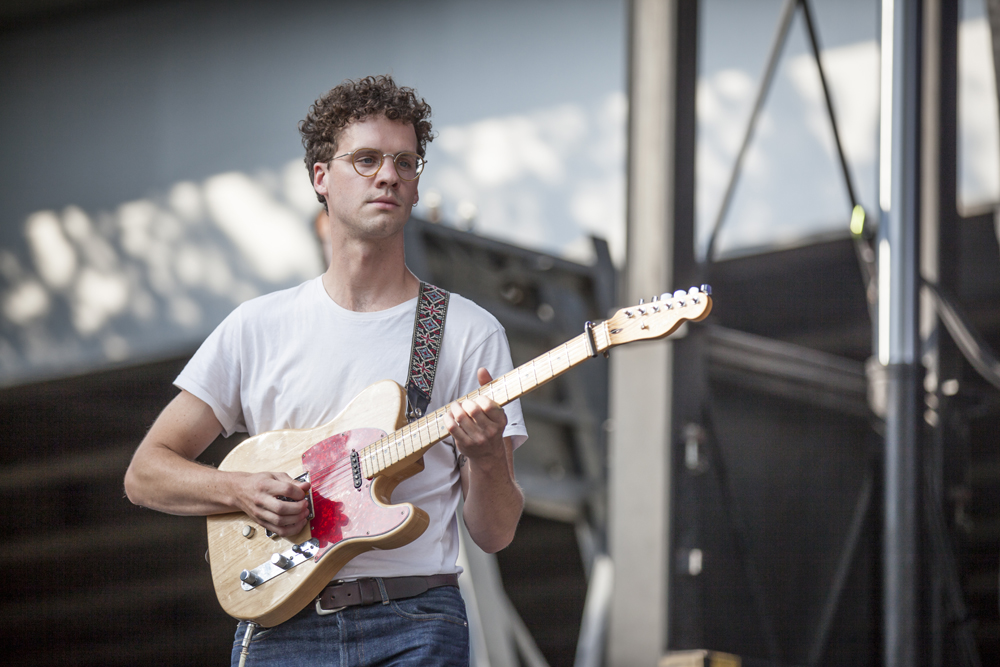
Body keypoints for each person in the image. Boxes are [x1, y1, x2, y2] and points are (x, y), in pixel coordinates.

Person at [124, 74, 527, 666]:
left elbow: (494, 535)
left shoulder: (468, 332)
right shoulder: (256, 327)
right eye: (365, 160)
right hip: (280, 624)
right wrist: (238, 489)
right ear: (320, 177)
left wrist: (489, 457)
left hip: (417, 619)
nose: (388, 175)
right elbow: (145, 473)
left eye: (405, 163)